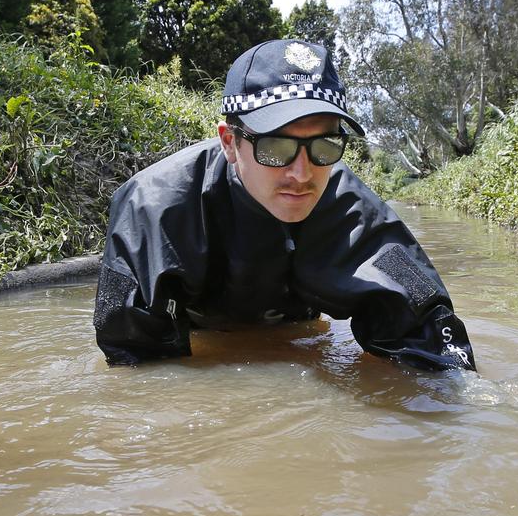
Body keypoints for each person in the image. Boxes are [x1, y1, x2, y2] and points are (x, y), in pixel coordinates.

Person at [93, 39, 475, 371]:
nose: (301, 174)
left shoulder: (352, 208)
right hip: (199, 329)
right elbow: (138, 372)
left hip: (298, 329)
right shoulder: (153, 209)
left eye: (324, 146)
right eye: (275, 147)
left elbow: (432, 342)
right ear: (230, 142)